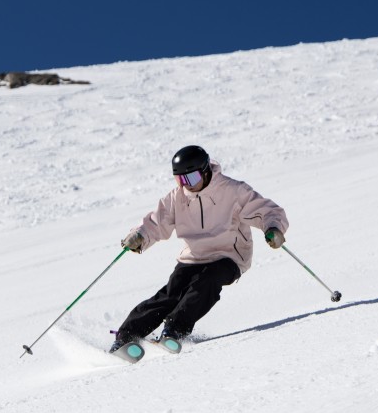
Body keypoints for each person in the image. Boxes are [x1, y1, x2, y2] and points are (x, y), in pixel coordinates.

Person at [110, 145, 289, 352]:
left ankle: (175, 330)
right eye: (181, 180)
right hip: (193, 256)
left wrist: (273, 228)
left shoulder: (233, 191)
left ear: (205, 171)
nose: (187, 185)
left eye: (191, 178)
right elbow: (156, 223)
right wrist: (139, 236)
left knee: (205, 284)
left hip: (229, 255)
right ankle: (125, 337)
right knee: (170, 295)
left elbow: (267, 210)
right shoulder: (176, 197)